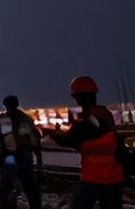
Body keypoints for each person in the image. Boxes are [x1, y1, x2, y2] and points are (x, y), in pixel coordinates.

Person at [48, 76, 123, 209]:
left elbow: (68, 140)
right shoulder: (106, 114)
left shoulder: (84, 121)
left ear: (77, 97)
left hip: (92, 178)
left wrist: (51, 134)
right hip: (113, 176)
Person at [0, 95, 42, 209]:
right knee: (29, 187)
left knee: (6, 188)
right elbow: (34, 140)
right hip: (24, 156)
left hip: (9, 157)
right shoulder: (25, 119)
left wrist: (0, 152)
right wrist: (38, 161)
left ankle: (7, 205)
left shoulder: (3, 120)